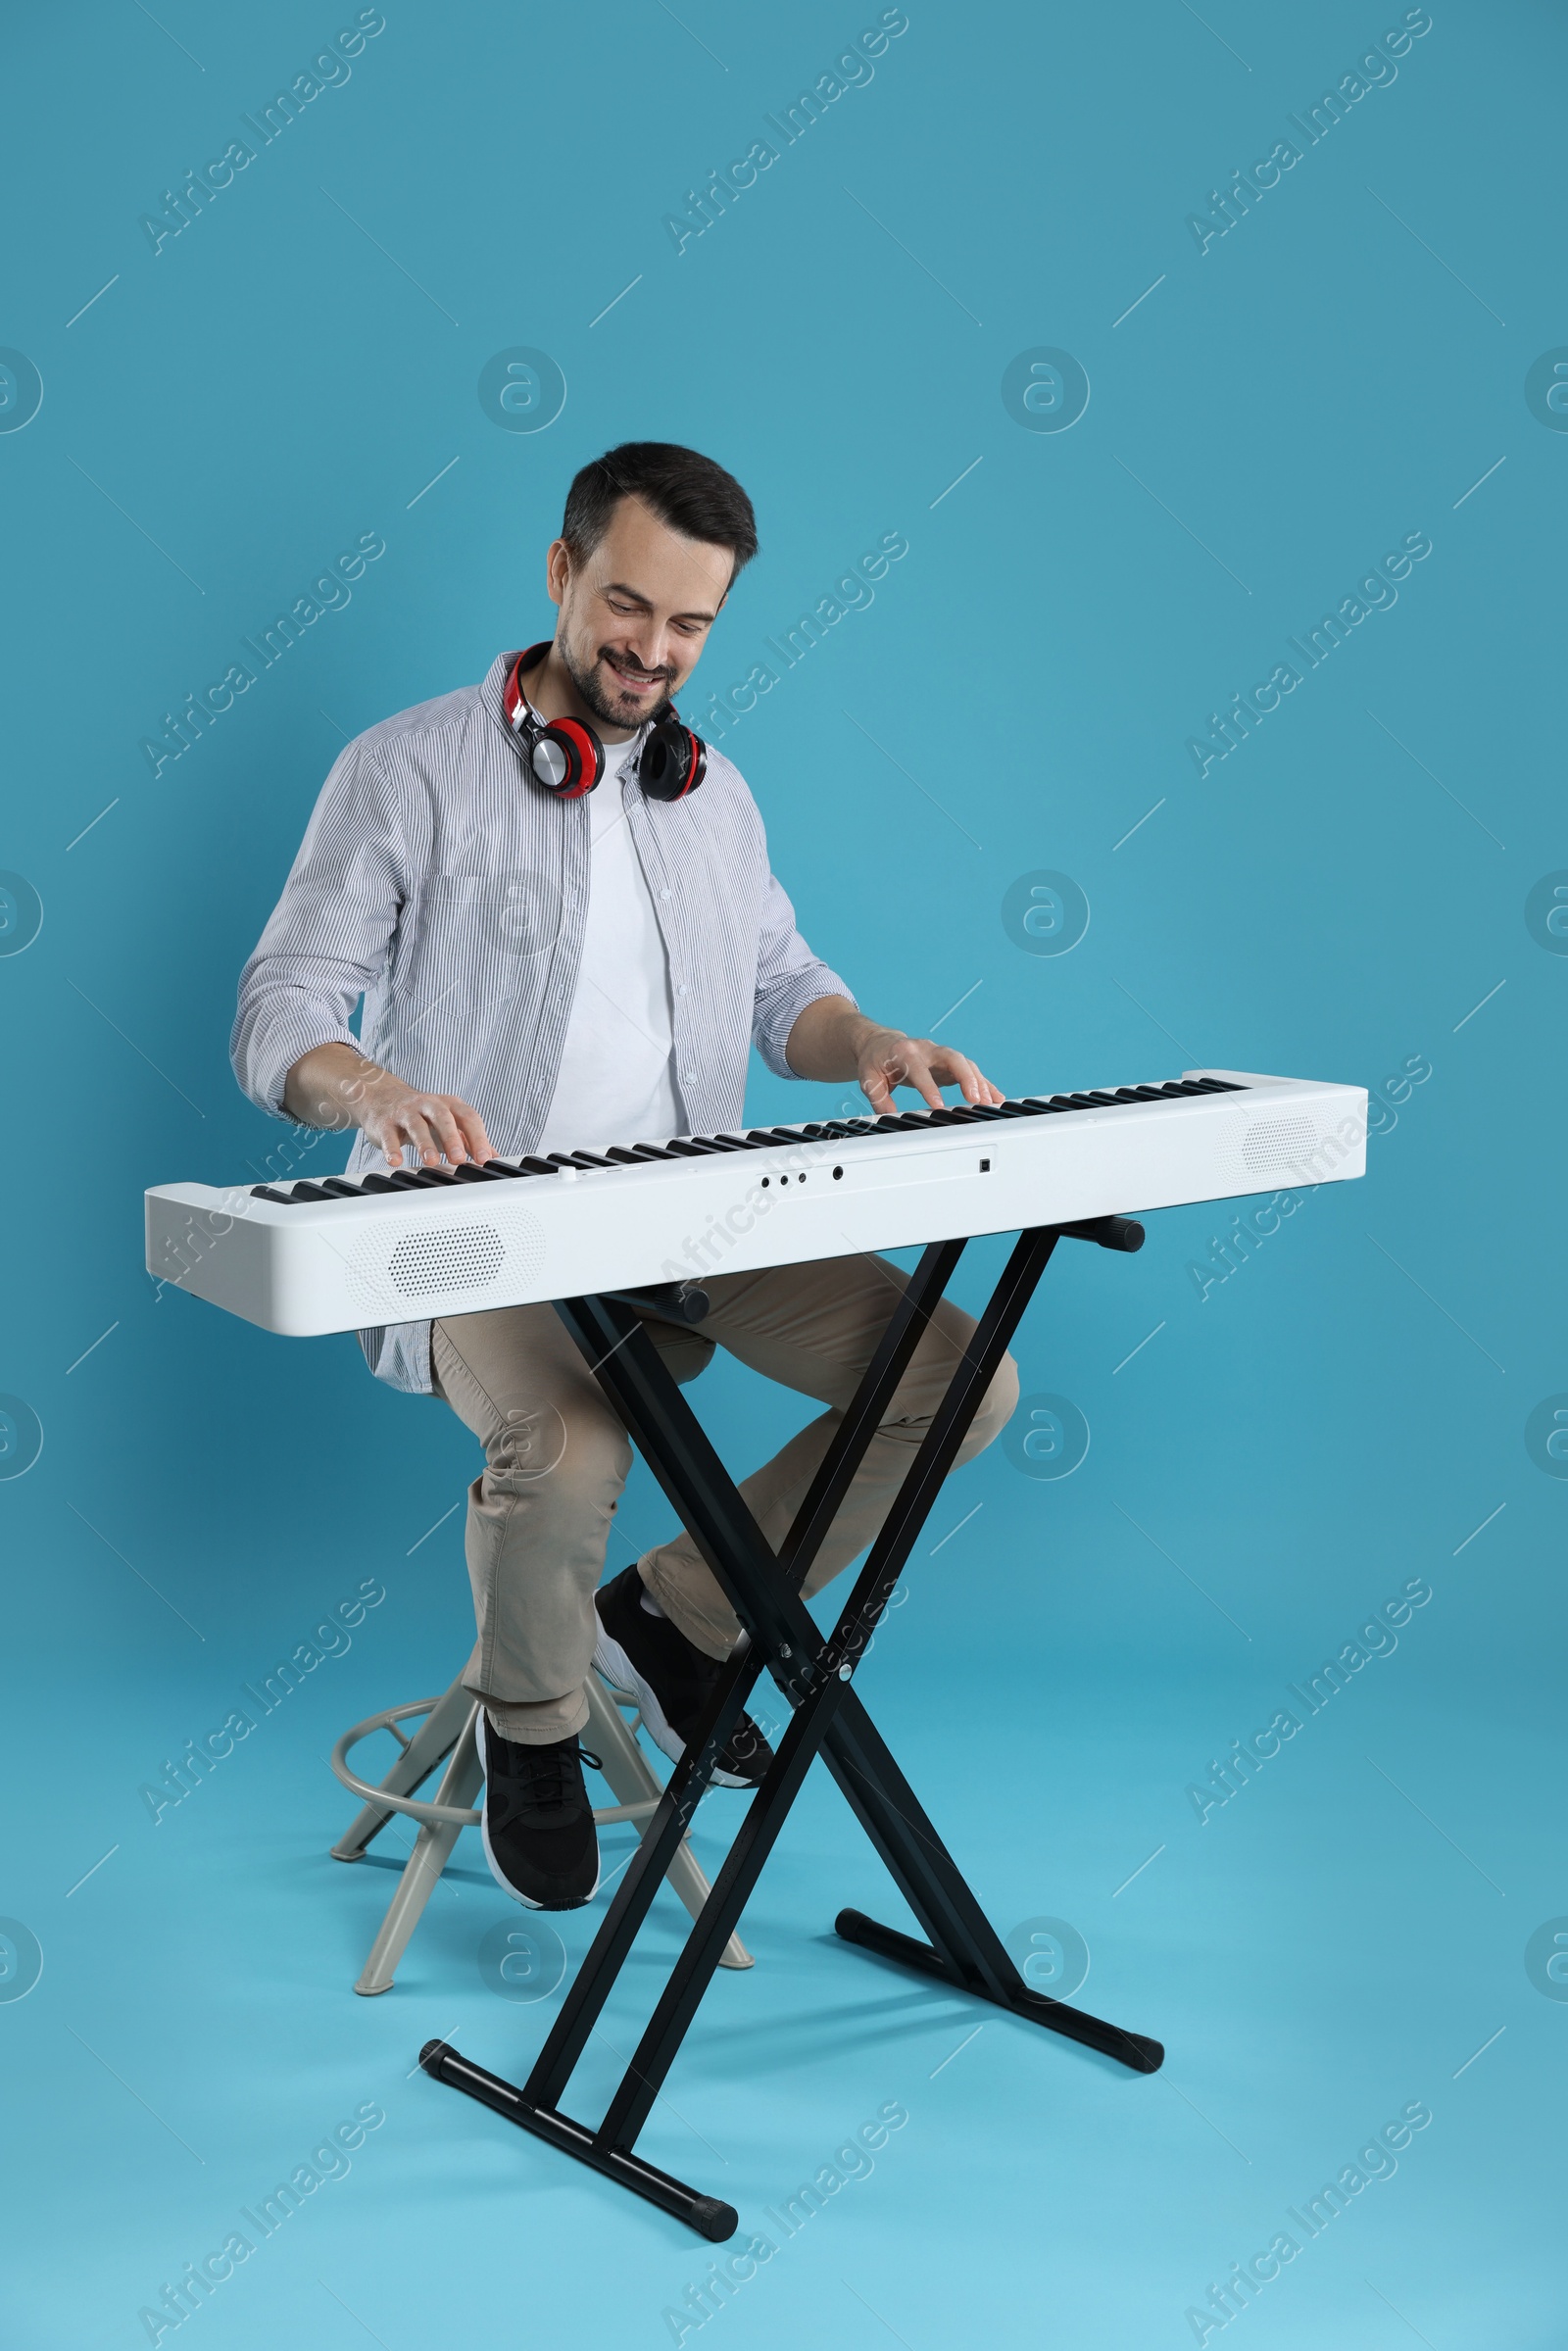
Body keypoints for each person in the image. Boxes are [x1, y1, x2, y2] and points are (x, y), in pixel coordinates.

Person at [232, 442, 1018, 1910]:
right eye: (629, 606)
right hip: (481, 1240)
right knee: (575, 1452)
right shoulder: (402, 770)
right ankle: (533, 1727)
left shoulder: (713, 800)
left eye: (693, 626)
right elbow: (279, 1007)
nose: (655, 651)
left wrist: (874, 1040)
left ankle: (670, 1622)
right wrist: (379, 1091)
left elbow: (790, 995)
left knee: (963, 1382)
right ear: (560, 573)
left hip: (690, 1219)